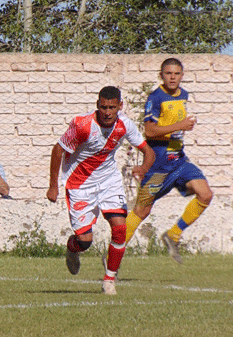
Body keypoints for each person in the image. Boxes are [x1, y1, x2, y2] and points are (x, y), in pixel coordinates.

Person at [46, 86, 155, 295]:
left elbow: (148, 152)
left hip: (108, 182)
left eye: (112, 107)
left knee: (120, 229)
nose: (107, 112)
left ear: (120, 106)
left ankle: (109, 280)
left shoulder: (125, 125)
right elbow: (58, 149)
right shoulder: (82, 125)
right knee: (85, 241)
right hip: (80, 186)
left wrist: (143, 169)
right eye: (103, 107)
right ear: (97, 105)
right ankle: (72, 249)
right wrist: (53, 186)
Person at [123, 58, 213, 264]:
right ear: (161, 75)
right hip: (158, 164)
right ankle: (112, 256)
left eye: (177, 73)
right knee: (141, 211)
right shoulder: (156, 97)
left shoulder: (184, 94)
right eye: (168, 73)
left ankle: (173, 235)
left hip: (179, 161)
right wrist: (179, 125)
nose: (172, 77)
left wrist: (181, 128)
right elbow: (149, 130)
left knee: (205, 194)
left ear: (182, 75)